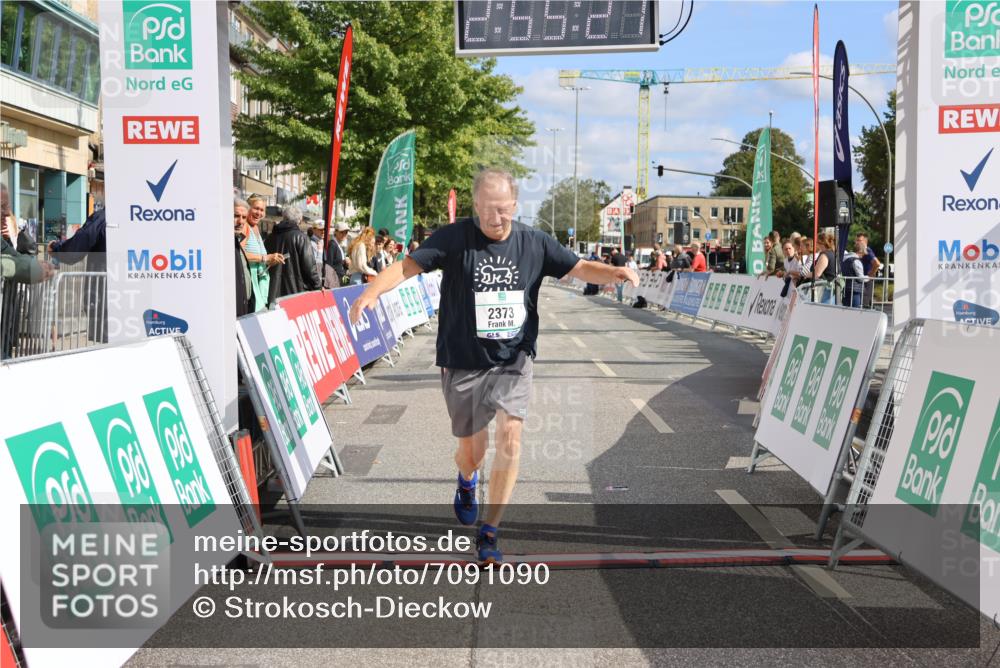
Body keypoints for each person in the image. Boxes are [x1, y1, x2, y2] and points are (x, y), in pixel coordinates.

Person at [348, 168, 638, 564]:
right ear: (475, 206)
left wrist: (614, 272)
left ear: (515, 206)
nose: (494, 218)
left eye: (502, 210)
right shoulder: (454, 238)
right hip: (463, 361)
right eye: (486, 210)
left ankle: (491, 531)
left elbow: (578, 268)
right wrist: (370, 293)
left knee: (511, 437)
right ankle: (466, 480)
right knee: (473, 452)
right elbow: (406, 267)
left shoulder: (533, 242)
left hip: (513, 358)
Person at [264, 205, 321, 301]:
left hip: (272, 292)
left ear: (284, 217)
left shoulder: (270, 238)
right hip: (296, 293)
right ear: (300, 220)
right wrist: (318, 287)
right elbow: (310, 267)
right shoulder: (301, 237)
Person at [243, 195, 285, 307]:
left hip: (258, 284)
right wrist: (265, 258)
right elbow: (238, 255)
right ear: (248, 208)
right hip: (249, 286)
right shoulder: (244, 227)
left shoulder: (255, 228)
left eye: (262, 210)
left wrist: (270, 261)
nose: (259, 213)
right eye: (256, 208)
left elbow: (258, 257)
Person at [233, 199, 258, 316]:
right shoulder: (222, 245)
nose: (240, 221)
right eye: (236, 216)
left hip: (245, 306)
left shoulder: (236, 240)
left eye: (244, 217)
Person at [800, 232, 837, 304]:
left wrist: (806, 275)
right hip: (831, 289)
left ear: (820, 242)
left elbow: (817, 274)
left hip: (826, 289)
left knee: (824, 311)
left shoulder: (825, 255)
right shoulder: (832, 253)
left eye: (816, 242)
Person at [855, 233, 882, 307]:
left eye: (859, 240)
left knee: (864, 303)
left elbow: (877, 263)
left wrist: (871, 273)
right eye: (856, 240)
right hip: (863, 280)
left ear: (865, 242)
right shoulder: (862, 251)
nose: (857, 242)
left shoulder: (867, 251)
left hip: (867, 281)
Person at [324, 221, 351, 287]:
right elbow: (329, 265)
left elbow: (339, 264)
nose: (344, 234)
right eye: (342, 232)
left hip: (342, 277)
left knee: (349, 286)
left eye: (346, 232)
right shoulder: (333, 244)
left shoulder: (339, 245)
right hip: (336, 280)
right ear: (336, 232)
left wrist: (346, 262)